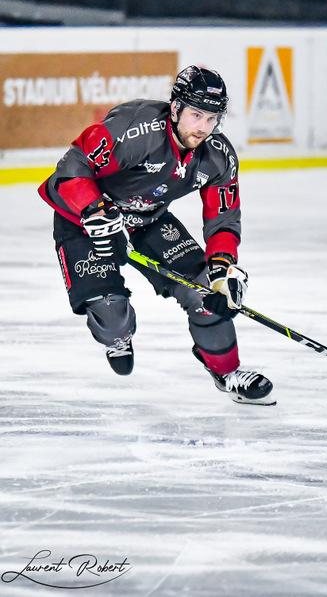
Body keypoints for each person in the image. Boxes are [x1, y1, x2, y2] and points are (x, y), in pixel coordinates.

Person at [39, 65, 275, 405]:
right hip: (84, 218)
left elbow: (223, 218)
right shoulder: (135, 128)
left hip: (147, 219)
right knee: (112, 316)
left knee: (206, 292)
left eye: (212, 119)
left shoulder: (218, 156)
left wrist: (223, 269)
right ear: (176, 108)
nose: (203, 127)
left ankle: (227, 373)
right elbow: (72, 168)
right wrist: (95, 210)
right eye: (196, 115)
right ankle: (116, 336)